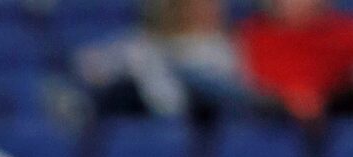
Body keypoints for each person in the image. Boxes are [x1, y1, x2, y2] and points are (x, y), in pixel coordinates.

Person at [68, 0, 252, 122]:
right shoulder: (142, 44)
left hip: (195, 116)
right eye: (197, 4)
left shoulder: (221, 47)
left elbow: (228, 88)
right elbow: (90, 64)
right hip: (143, 113)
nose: (206, 9)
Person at [236, 0, 353, 120]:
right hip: (271, 115)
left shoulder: (350, 32)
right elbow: (251, 79)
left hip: (340, 109)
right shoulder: (255, 36)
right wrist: (290, 95)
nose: (300, 4)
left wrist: (322, 92)